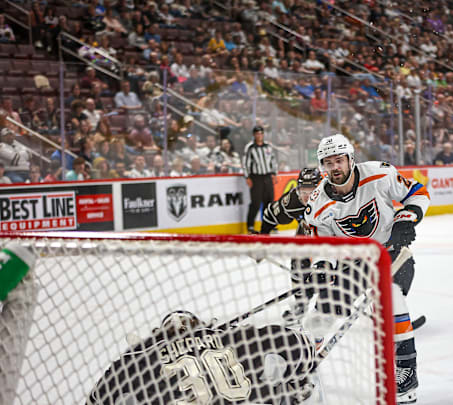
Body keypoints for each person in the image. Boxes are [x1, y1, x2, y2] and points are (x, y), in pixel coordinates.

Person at [304, 134, 429, 404]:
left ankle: (406, 375)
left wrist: (406, 220)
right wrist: (324, 267)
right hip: (354, 264)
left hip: (391, 255)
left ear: (350, 159)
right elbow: (319, 241)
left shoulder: (378, 174)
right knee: (323, 310)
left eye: (339, 160)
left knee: (390, 302)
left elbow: (417, 192)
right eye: (328, 162)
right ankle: (301, 363)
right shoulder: (317, 203)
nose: (334, 167)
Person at [87, 311, 316, 404]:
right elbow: (302, 346)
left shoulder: (141, 360)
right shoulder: (236, 337)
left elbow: (97, 399)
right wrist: (294, 384)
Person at [260, 168, 322, 235]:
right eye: (303, 192)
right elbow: (269, 215)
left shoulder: (330, 198)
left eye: (311, 192)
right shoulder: (291, 202)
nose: (307, 197)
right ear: (298, 190)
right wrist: (263, 234)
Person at [243, 126, 277, 233]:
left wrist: (274, 173)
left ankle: (268, 225)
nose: (259, 135)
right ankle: (250, 226)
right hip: (256, 177)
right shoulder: (250, 147)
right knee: (256, 203)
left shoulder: (268, 146)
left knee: (269, 202)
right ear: (254, 135)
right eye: (257, 133)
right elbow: (245, 163)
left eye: (261, 133)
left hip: (267, 176)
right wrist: (247, 176)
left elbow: (273, 160)